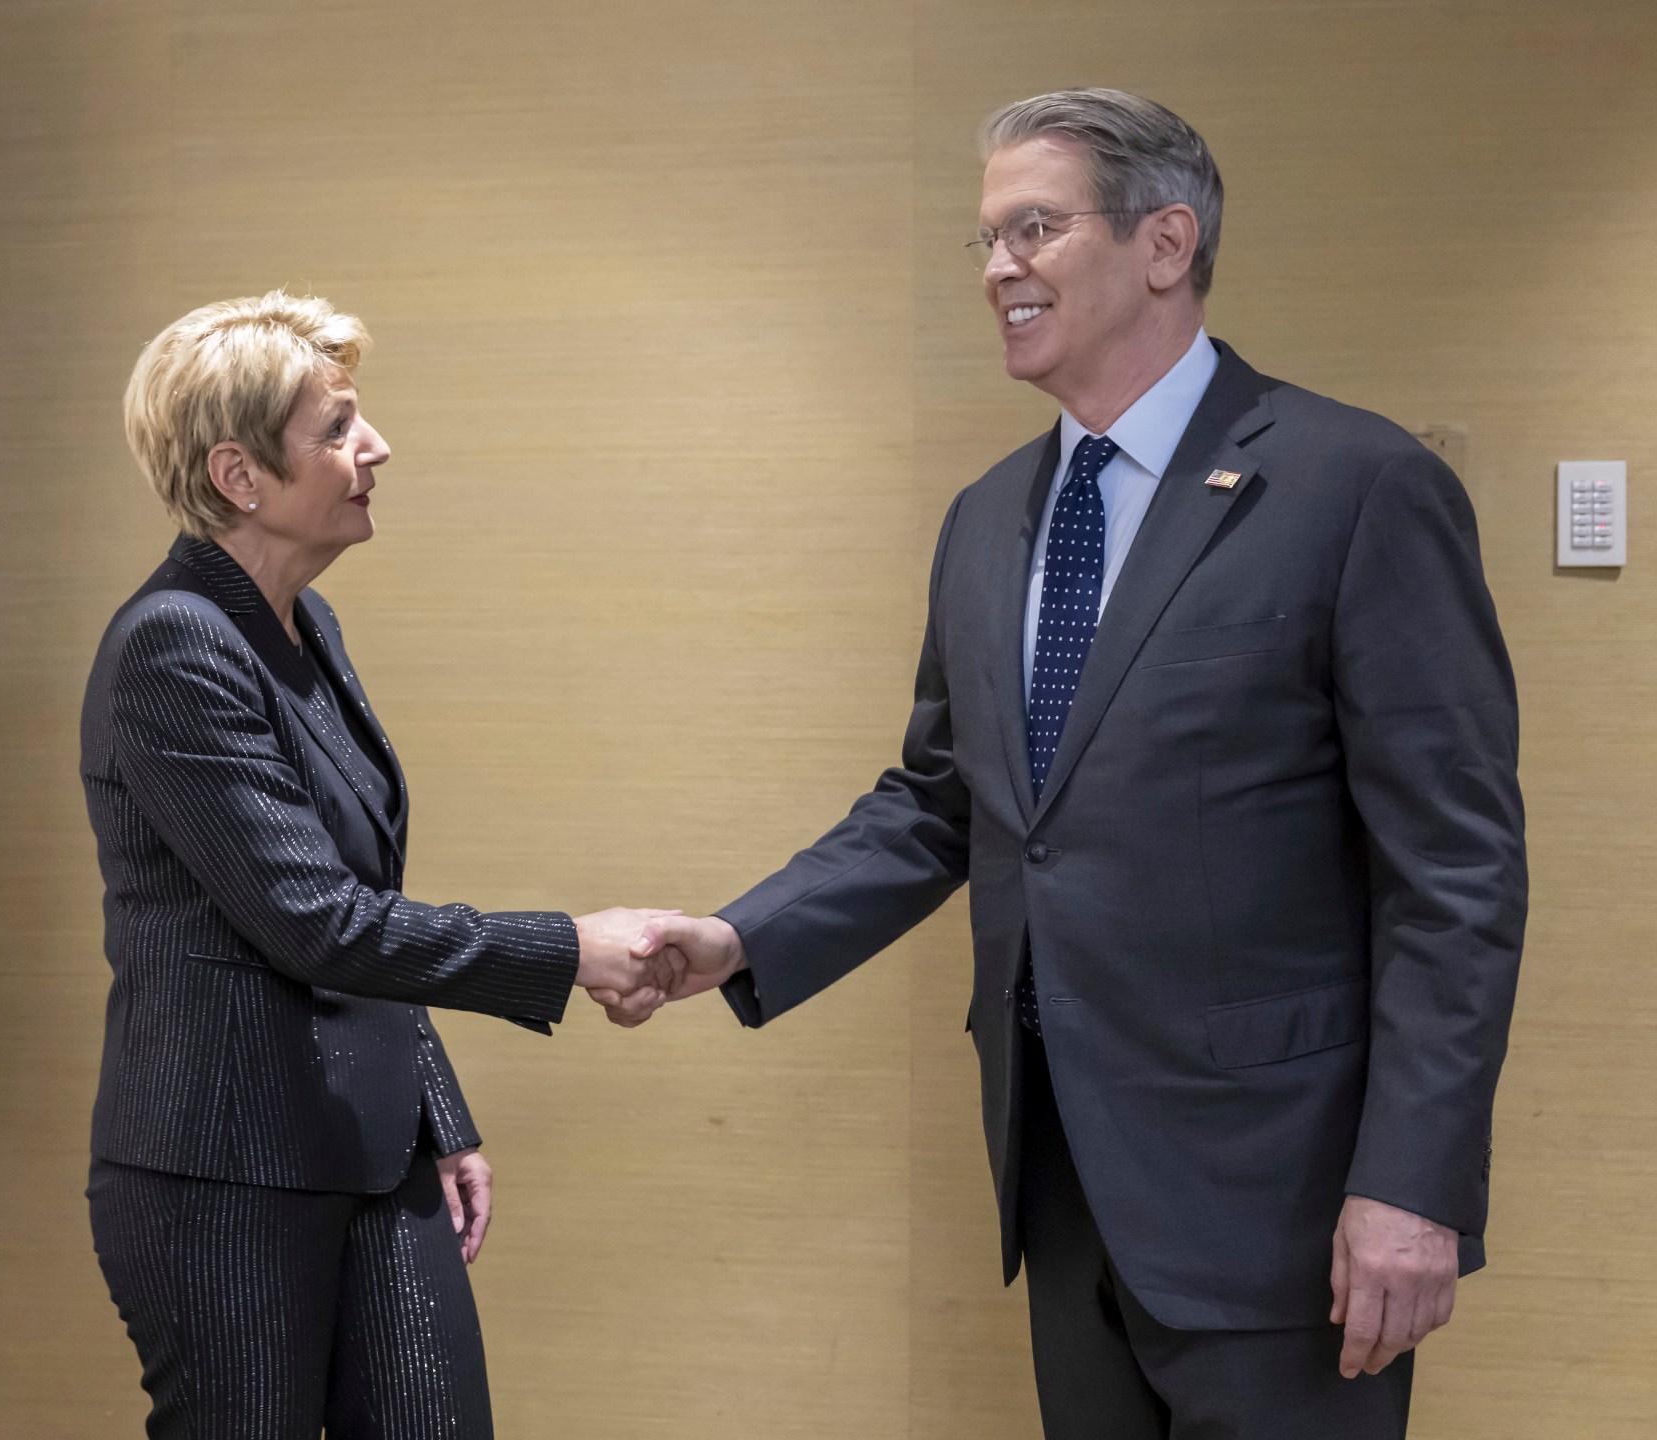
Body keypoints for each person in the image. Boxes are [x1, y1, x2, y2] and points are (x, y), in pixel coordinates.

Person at [620, 89, 1524, 1436]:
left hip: (1286, 1207)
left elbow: (1454, 874)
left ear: (1166, 244)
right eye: (984, 241)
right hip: (1063, 1190)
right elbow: (943, 802)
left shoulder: (1354, 486)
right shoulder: (990, 518)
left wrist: (1415, 1183)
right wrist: (741, 936)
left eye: (1032, 230)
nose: (997, 270)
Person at [81, 291, 677, 1438]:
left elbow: (362, 902)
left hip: (365, 1145)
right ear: (238, 476)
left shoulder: (304, 625)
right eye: (339, 427)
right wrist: (569, 949)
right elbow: (316, 922)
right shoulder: (173, 645)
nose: (376, 447)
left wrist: (433, 1110)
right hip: (226, 1174)